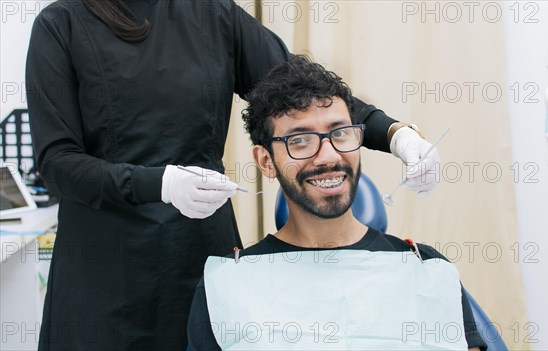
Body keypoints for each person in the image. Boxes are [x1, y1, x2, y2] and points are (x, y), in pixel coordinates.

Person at [25, 0, 440, 349]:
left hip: (198, 250)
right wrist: (159, 183)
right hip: (103, 269)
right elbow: (58, 162)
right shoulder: (61, 25)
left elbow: (305, 93)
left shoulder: (211, 14)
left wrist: (394, 133)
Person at [187, 56, 486, 350]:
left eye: (340, 133)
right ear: (266, 161)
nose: (329, 156)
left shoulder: (426, 269)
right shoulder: (228, 286)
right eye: (300, 140)